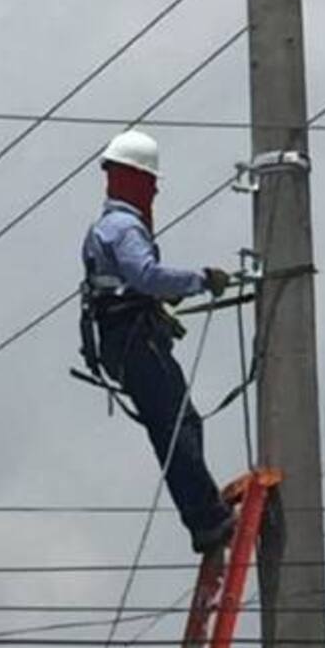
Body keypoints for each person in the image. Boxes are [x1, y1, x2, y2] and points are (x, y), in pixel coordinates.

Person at [80, 129, 234, 554]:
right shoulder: (124, 227)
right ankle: (208, 519)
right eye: (151, 182)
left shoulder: (107, 227)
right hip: (134, 340)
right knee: (177, 426)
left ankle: (206, 515)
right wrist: (201, 280)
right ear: (135, 179)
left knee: (177, 424)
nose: (154, 191)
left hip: (125, 340)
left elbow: (132, 286)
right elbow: (144, 276)